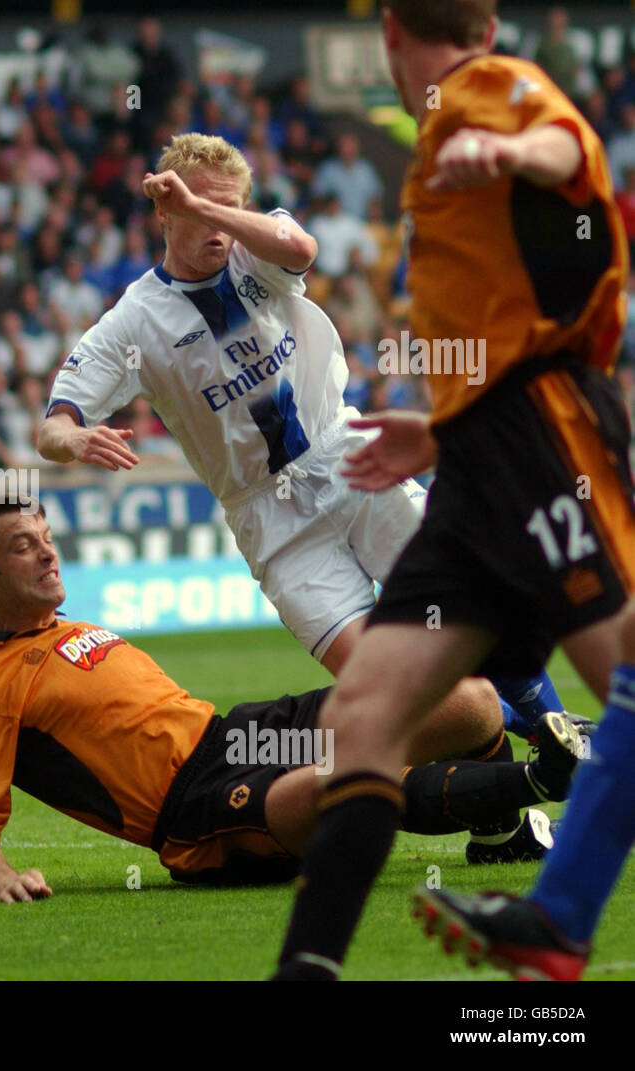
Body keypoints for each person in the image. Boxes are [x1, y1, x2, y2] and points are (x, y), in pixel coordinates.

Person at [34, 131, 572, 860]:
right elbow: (52, 425)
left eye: (230, 206)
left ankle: (557, 749)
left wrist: (214, 210)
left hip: (349, 459)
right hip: (275, 523)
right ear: (163, 210)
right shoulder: (134, 322)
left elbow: (302, 247)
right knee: (397, 684)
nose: (216, 223)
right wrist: (75, 442)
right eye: (195, 206)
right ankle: (513, 808)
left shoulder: (256, 254)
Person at [270, 0, 630, 981]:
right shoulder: (444, 123)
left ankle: (557, 923)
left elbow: (562, 140)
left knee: (628, 681)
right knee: (365, 718)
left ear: (390, 29)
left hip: (542, 436)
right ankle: (305, 973)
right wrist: (439, 431)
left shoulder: (475, 87)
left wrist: (512, 157)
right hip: (478, 459)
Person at [0, 501, 584, 901]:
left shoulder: (73, 630)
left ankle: (501, 839)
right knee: (339, 782)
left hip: (237, 734)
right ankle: (536, 780)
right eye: (24, 545)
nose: (48, 550)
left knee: (465, 700)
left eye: (45, 535)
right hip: (194, 811)